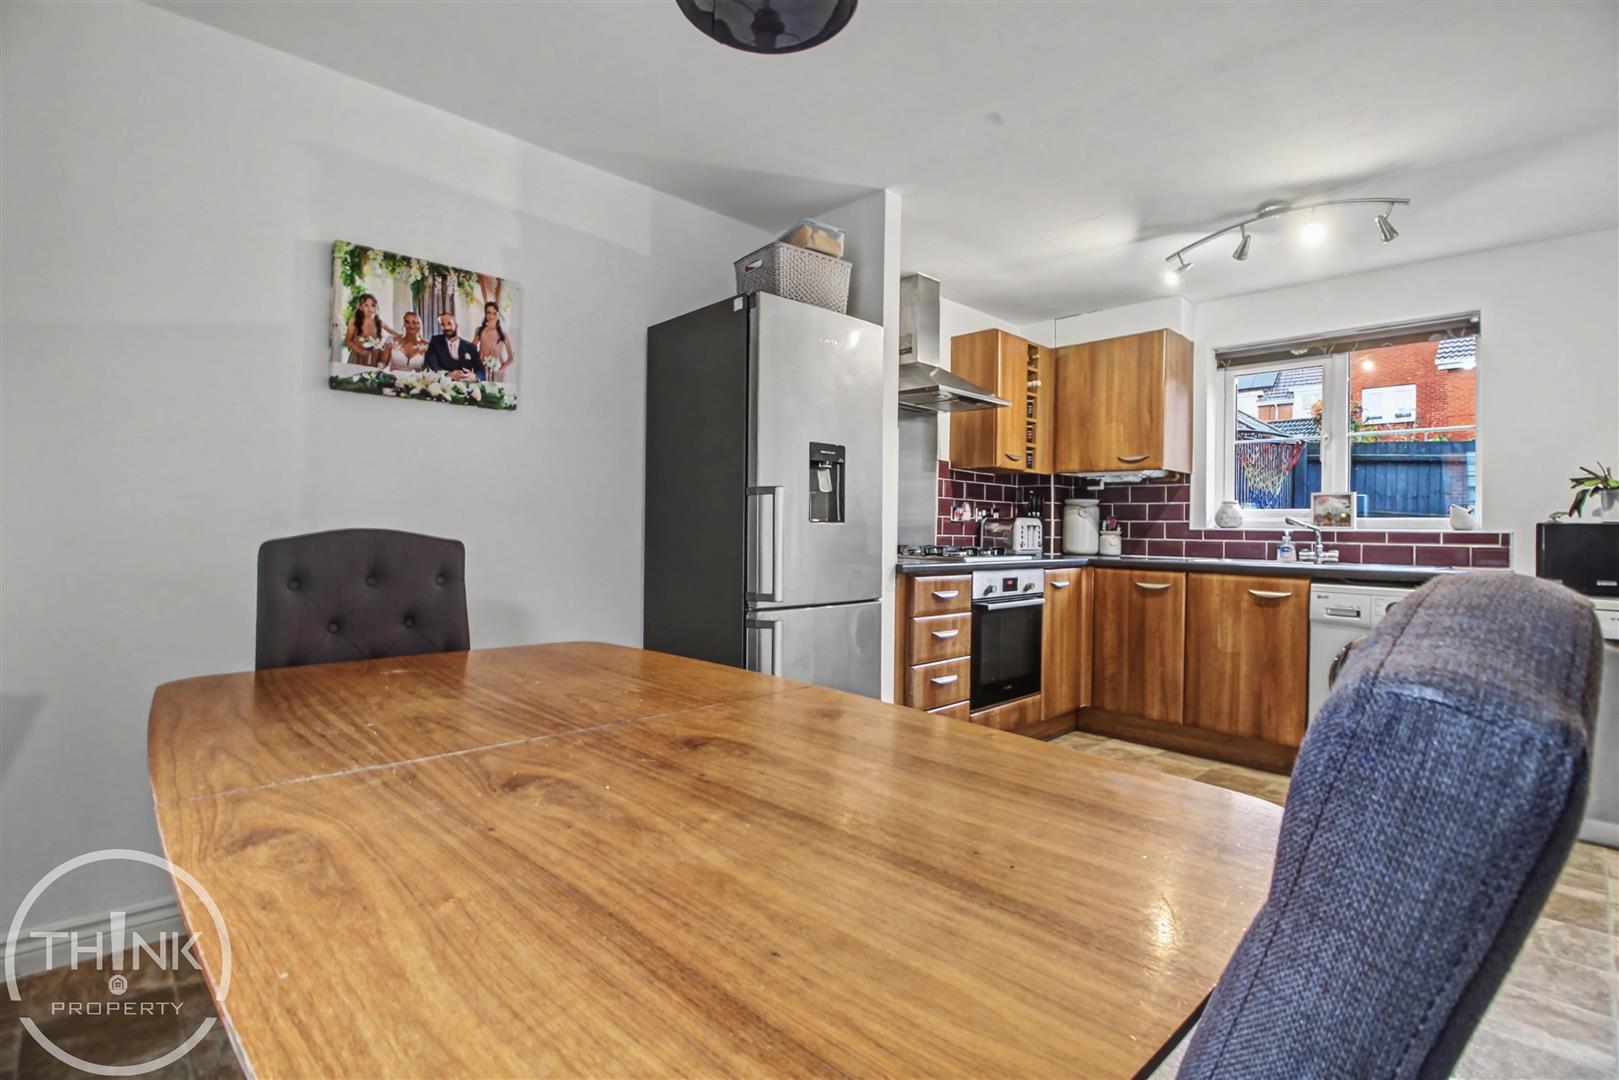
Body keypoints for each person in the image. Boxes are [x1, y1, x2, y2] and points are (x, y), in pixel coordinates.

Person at [426, 312, 484, 381]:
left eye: (449, 323)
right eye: (442, 324)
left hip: (465, 385)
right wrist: (448, 374)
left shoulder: (470, 347)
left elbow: (481, 371)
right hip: (442, 385)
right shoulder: (435, 342)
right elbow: (432, 366)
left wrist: (475, 377)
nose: (446, 327)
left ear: (456, 324)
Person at [343, 293, 396, 367]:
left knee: (373, 374)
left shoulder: (379, 322)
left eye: (373, 305)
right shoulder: (355, 321)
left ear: (376, 307)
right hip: (358, 358)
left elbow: (396, 334)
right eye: (366, 305)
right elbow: (347, 341)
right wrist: (361, 350)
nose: (370, 309)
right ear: (360, 307)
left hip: (375, 358)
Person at [474, 301, 515, 382]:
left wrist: (501, 368)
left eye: (494, 313)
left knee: (496, 389)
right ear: (485, 314)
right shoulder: (480, 331)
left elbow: (511, 358)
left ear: (498, 314)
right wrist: (478, 356)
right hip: (481, 370)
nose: (491, 316)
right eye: (489, 313)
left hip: (497, 372)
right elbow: (471, 348)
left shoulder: (503, 335)